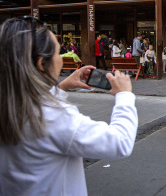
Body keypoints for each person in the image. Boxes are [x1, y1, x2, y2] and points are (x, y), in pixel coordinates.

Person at [0, 16, 138, 195]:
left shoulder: (9, 105)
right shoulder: (54, 116)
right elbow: (119, 143)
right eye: (58, 53)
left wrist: (61, 87)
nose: (60, 58)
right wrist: (124, 95)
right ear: (42, 63)